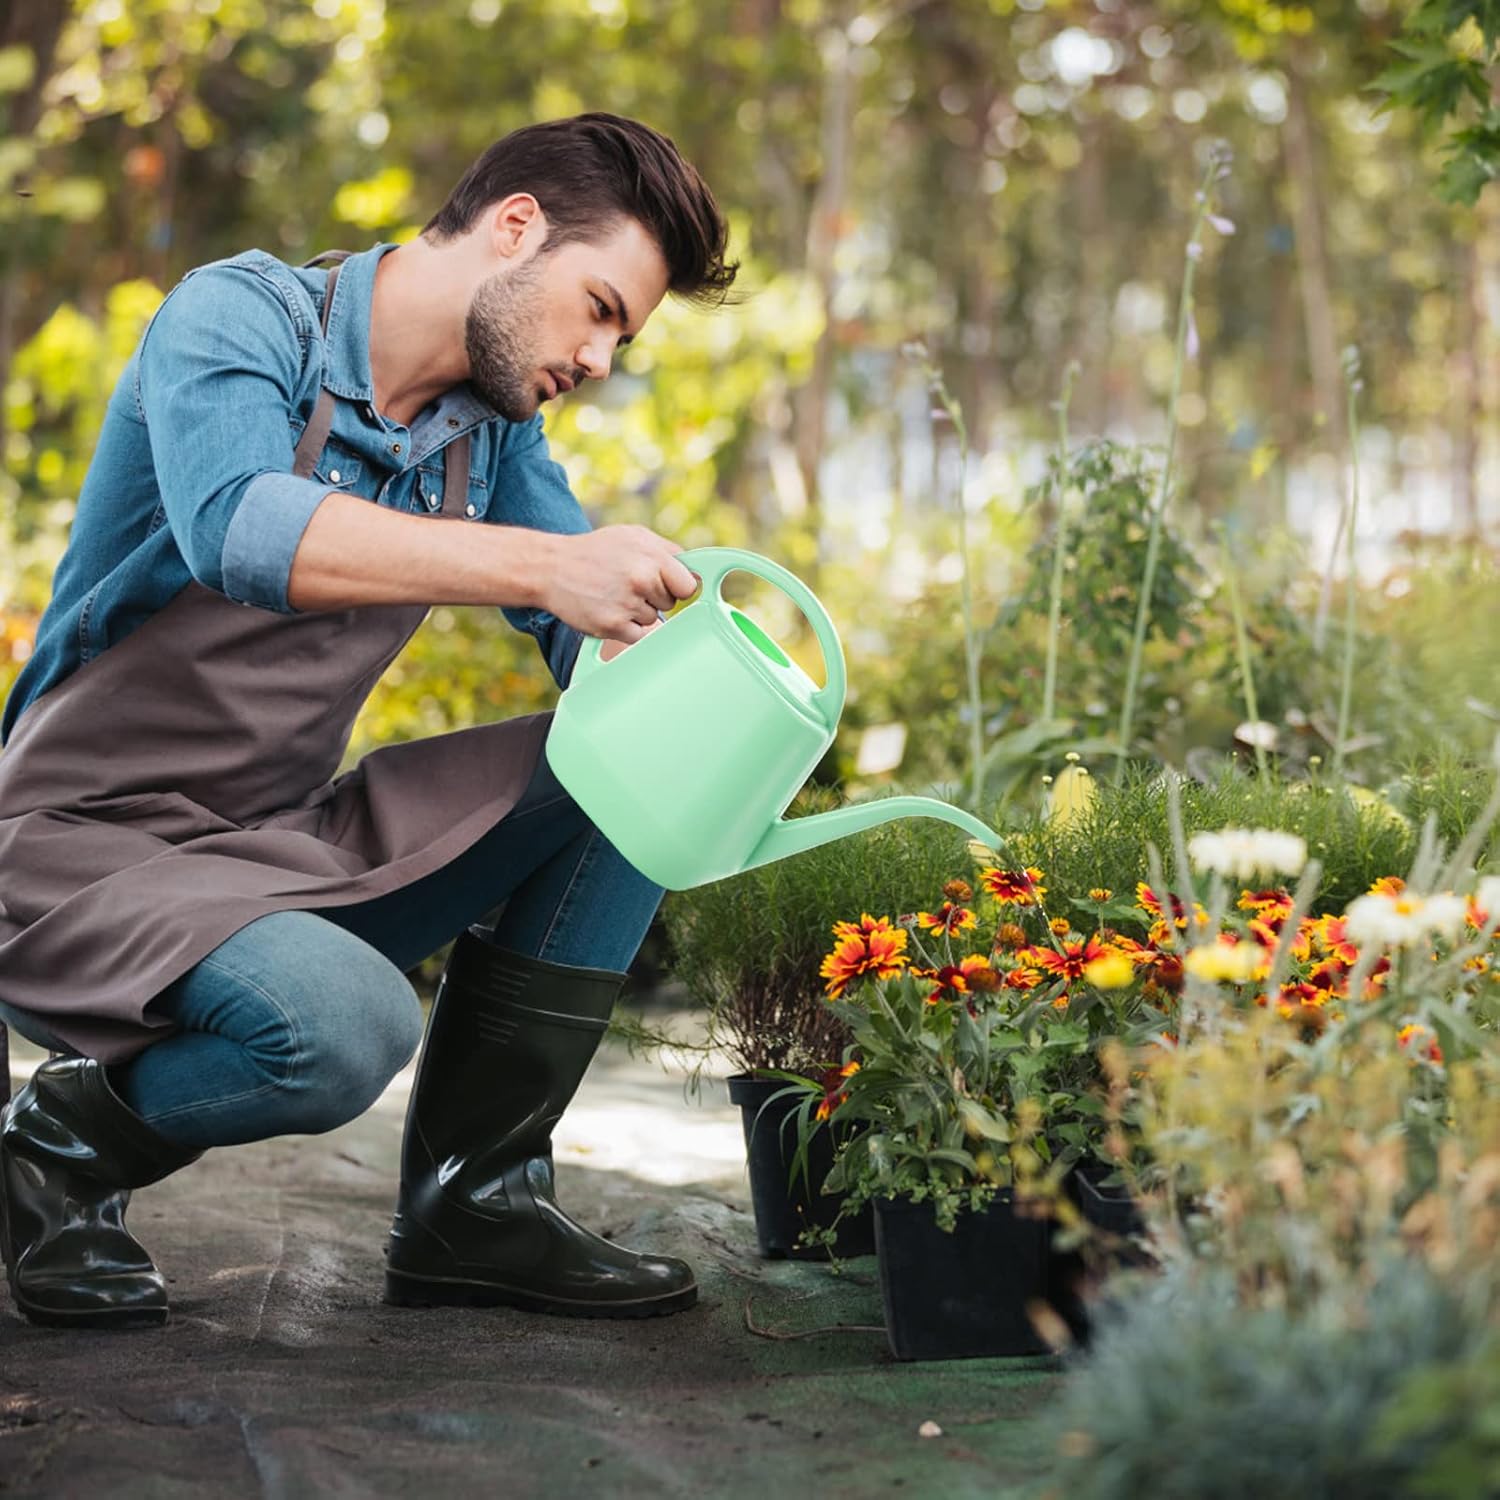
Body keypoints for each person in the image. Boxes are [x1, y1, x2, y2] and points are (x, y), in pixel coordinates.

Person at [0, 112, 737, 1329]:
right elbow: (242, 531)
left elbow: (586, 621)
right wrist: (541, 571)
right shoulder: (239, 318)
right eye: (602, 307)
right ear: (515, 229)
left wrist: (704, 666)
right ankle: (59, 1146)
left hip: (274, 844)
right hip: (80, 842)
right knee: (342, 1027)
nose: (604, 356)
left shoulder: (489, 435)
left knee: (635, 761)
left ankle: (473, 1206)